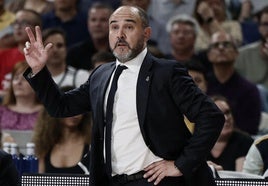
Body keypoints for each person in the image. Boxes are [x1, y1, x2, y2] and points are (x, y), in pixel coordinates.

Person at [23, 5, 224, 186]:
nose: (120, 34)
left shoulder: (167, 72)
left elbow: (211, 116)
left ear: (146, 34)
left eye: (128, 27)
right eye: (114, 27)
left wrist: (181, 164)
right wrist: (39, 71)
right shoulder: (101, 75)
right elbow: (61, 107)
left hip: (158, 181)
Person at [206, 30, 261, 135]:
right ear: (208, 55)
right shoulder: (201, 87)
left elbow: (250, 129)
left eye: (226, 45)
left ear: (236, 53)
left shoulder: (249, 90)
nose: (221, 48)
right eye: (216, 45)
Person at [32, 86, 91, 174]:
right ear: (56, 108)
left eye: (79, 108)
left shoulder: (91, 144)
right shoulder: (44, 145)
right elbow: (39, 178)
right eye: (70, 107)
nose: (75, 114)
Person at [0, 9, 42, 97]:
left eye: (24, 22)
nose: (18, 26)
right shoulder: (2, 56)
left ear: (37, 28)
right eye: (16, 22)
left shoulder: (43, 56)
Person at [208, 95, 253, 171]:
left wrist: (221, 175)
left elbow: (242, 179)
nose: (226, 118)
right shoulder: (196, 143)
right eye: (218, 114)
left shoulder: (244, 141)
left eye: (227, 112)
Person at [67, 2, 113, 71]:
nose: (97, 24)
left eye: (103, 20)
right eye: (93, 20)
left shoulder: (121, 51)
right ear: (88, 23)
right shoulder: (74, 53)